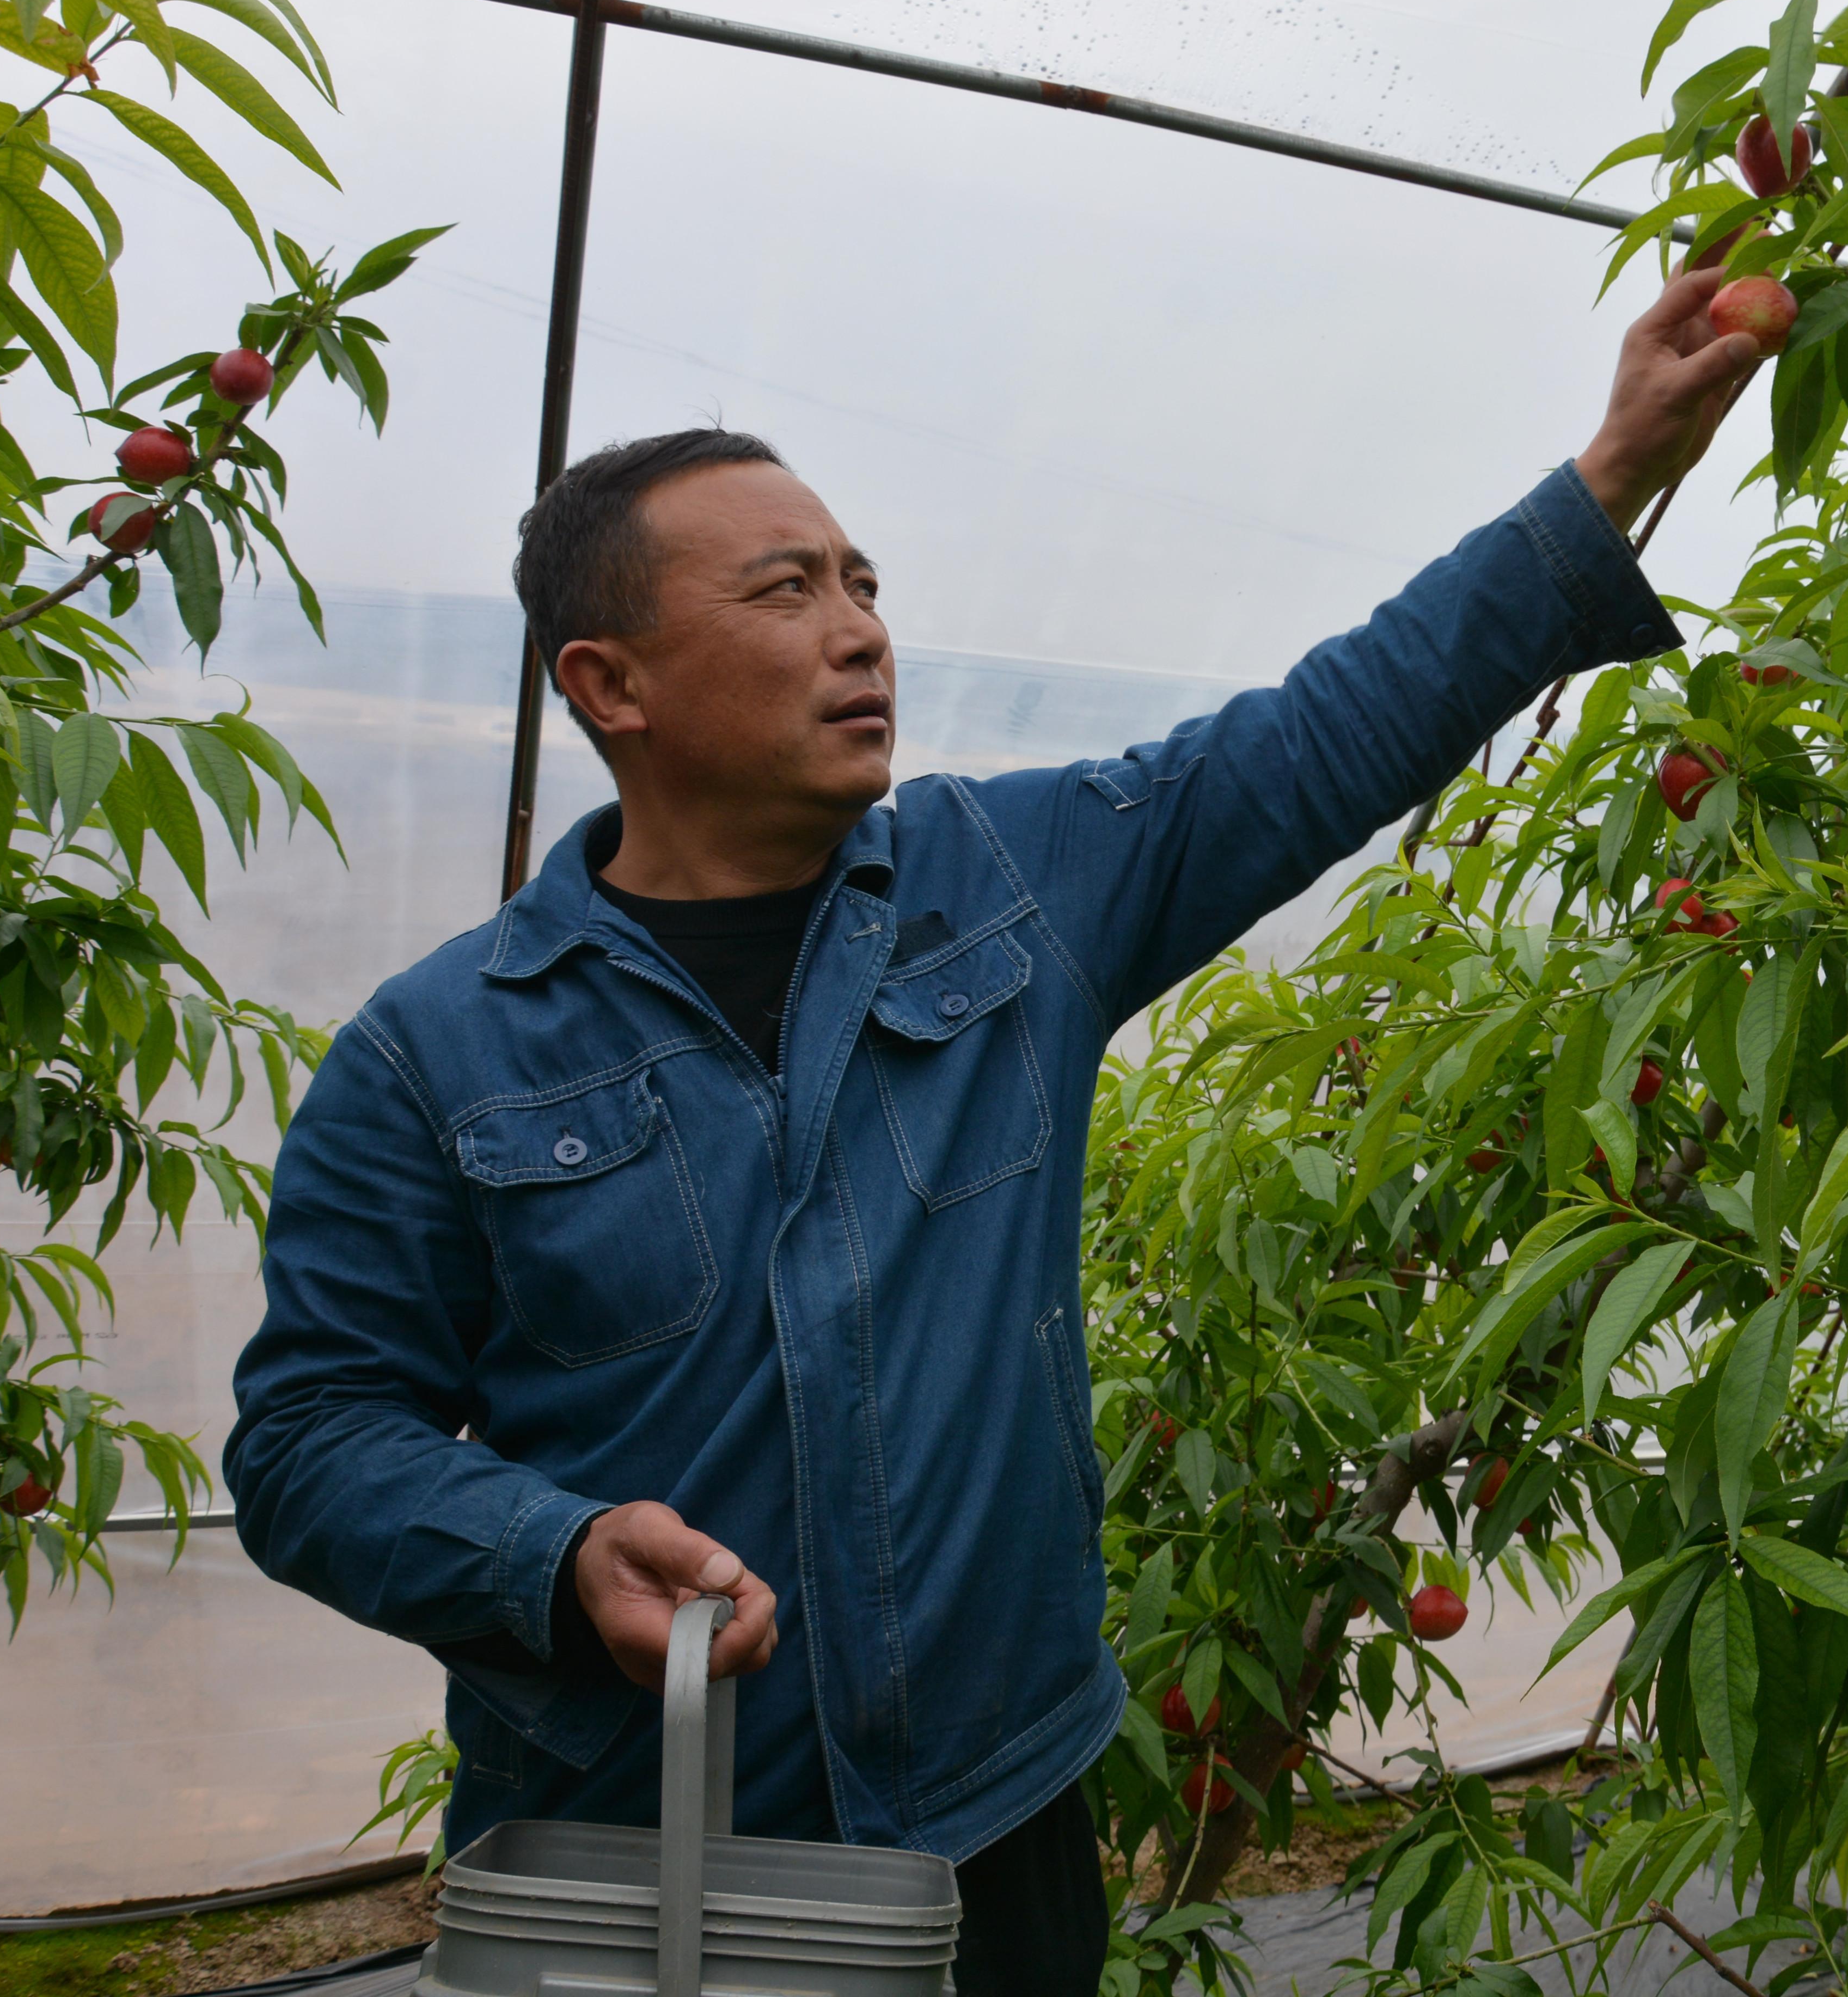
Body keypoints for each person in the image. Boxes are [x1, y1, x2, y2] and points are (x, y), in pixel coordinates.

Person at [225, 264, 1768, 1995]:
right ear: (610, 682)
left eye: (863, 585)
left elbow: (1325, 735)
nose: (860, 630)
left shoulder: (1013, 888)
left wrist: (1615, 472)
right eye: (787, 589)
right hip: (640, 1841)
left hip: (999, 1818)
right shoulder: (435, 1054)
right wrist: (557, 1552)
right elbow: (308, 1442)